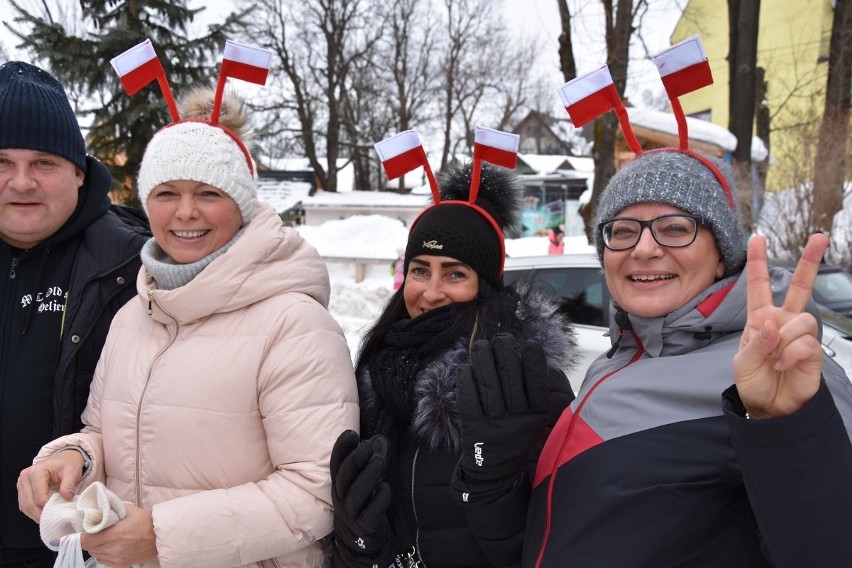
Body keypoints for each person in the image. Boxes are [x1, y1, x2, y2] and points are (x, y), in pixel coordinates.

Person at [17, 84, 359, 567]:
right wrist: (75, 458)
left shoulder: (294, 324)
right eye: (166, 193)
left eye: (208, 193)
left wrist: (161, 536)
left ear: (241, 204)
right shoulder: (134, 314)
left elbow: (317, 492)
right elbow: (103, 430)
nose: (185, 212)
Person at [522, 149, 852, 567]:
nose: (643, 248)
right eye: (622, 231)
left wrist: (785, 428)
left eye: (675, 228)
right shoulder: (614, 360)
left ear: (721, 257)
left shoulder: (785, 376)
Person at [330, 162, 578, 567]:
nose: (431, 292)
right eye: (420, 270)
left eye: (455, 274)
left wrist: (498, 487)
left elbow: (548, 544)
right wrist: (359, 546)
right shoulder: (373, 376)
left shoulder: (525, 382)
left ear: (485, 286)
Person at [0, 61, 149, 568]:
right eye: (2, 161)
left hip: (78, 545)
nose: (22, 182)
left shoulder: (136, 268)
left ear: (79, 172)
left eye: (43, 162)